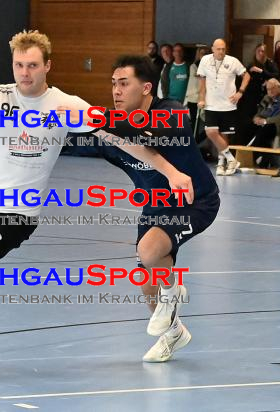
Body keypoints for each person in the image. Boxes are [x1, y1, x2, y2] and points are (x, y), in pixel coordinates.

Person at [0, 31, 194, 369]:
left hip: (18, 212)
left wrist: (170, 171)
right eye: (19, 65)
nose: (25, 73)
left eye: (33, 65)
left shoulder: (65, 106)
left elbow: (122, 139)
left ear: (47, 66)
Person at [67, 55, 220, 362]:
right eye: (113, 84)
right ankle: (174, 332)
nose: (116, 91)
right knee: (147, 286)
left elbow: (151, 133)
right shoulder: (114, 131)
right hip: (155, 208)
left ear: (147, 87)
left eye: (124, 83)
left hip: (196, 201)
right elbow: (73, 142)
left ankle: (172, 291)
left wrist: (97, 120)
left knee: (150, 251)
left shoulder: (172, 113)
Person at [198, 39, 251, 176]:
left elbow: (246, 76)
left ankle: (222, 164)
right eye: (218, 49)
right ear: (213, 49)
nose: (221, 51)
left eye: (223, 49)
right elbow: (202, 82)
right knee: (211, 132)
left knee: (224, 136)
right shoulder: (205, 60)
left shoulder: (233, 61)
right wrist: (201, 99)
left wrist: (240, 92)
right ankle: (231, 159)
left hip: (228, 105)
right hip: (211, 104)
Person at [249, 78, 280, 167]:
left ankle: (255, 156)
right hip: (265, 125)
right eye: (268, 89)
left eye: (272, 88)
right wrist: (256, 118)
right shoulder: (266, 98)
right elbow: (259, 112)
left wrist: (265, 121)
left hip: (275, 125)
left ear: (279, 87)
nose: (270, 91)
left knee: (266, 130)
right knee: (250, 127)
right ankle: (263, 161)